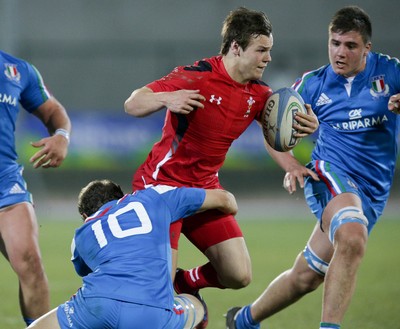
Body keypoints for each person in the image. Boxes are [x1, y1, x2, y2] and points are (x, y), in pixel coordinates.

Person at [124, 7, 318, 327]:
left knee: (238, 274)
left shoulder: (259, 94)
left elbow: (274, 134)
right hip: (162, 189)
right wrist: (165, 100)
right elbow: (133, 103)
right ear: (236, 48)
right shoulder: (196, 76)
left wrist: (292, 160)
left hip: (204, 190)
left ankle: (184, 284)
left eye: (270, 50)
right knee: (157, 297)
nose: (268, 58)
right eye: (262, 51)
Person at [226, 6, 400, 329]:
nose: (339, 52)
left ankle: (244, 319)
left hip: (372, 192)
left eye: (350, 45)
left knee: (306, 276)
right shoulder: (313, 84)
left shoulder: (391, 73)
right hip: (328, 175)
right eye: (334, 43)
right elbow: (270, 126)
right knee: (351, 234)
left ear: (367, 48)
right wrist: (290, 163)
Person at [26, 179, 238, 329]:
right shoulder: (153, 197)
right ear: (123, 197)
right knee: (197, 306)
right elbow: (226, 200)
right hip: (151, 313)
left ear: (84, 215)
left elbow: (85, 271)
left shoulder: (81, 233)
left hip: (97, 306)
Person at [0, 50, 71, 326]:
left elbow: (53, 111)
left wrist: (61, 136)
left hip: (6, 184)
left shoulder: (17, 70)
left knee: (30, 263)